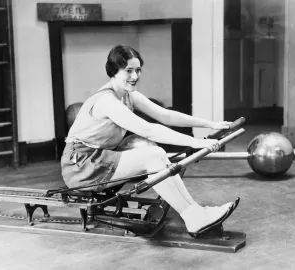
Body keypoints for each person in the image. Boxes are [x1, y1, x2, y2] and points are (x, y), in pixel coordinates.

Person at [61, 45, 239, 235]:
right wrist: (196, 142)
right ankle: (193, 216)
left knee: (158, 156)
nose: (135, 76)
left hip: (99, 158)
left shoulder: (128, 96)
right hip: (80, 165)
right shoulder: (107, 101)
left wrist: (211, 124)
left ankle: (196, 213)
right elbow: (148, 130)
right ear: (113, 71)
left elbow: (166, 116)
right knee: (153, 156)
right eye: (128, 71)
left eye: (138, 70)